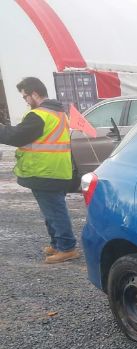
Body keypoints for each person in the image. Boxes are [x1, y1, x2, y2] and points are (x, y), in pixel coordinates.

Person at [0, 77, 79, 263]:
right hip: (55, 169)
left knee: (55, 210)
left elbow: (17, 137)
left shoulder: (38, 115)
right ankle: (57, 243)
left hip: (45, 170)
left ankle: (67, 247)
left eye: (25, 96)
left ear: (34, 93)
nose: (26, 101)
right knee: (51, 209)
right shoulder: (58, 113)